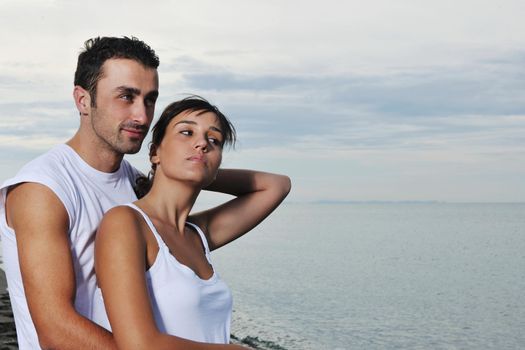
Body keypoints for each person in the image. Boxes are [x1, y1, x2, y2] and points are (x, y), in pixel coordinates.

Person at [91, 96, 291, 349]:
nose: (201, 144)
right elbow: (138, 345)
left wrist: (203, 173)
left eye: (214, 141)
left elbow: (277, 185)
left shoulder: (197, 235)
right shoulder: (126, 223)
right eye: (186, 133)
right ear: (155, 152)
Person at [0, 36, 160, 349]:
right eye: (126, 97)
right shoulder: (43, 188)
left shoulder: (140, 184)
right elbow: (57, 331)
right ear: (83, 100)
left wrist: (184, 162)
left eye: (150, 99)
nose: (142, 116)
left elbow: (273, 188)